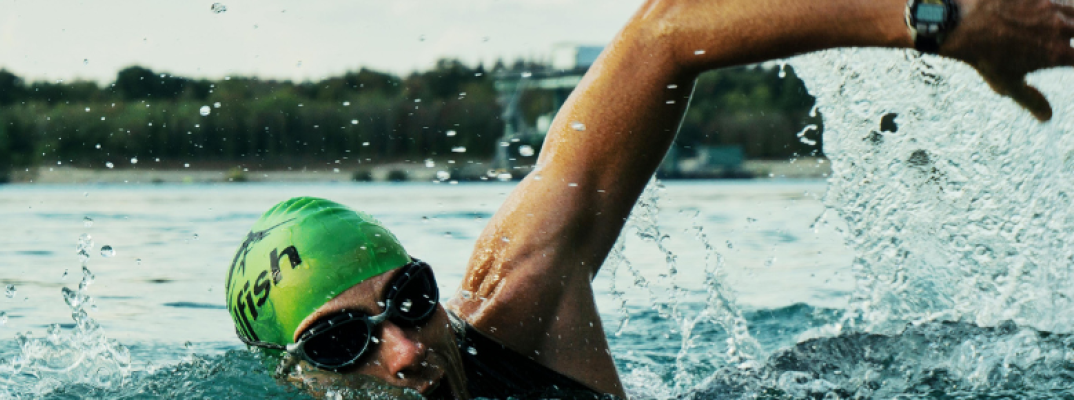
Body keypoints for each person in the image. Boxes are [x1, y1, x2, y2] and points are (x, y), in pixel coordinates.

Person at [225, 0, 1074, 398]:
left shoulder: (515, 308)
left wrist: (938, 21)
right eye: (342, 342)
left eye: (411, 299)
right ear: (295, 378)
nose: (408, 350)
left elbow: (662, 34)